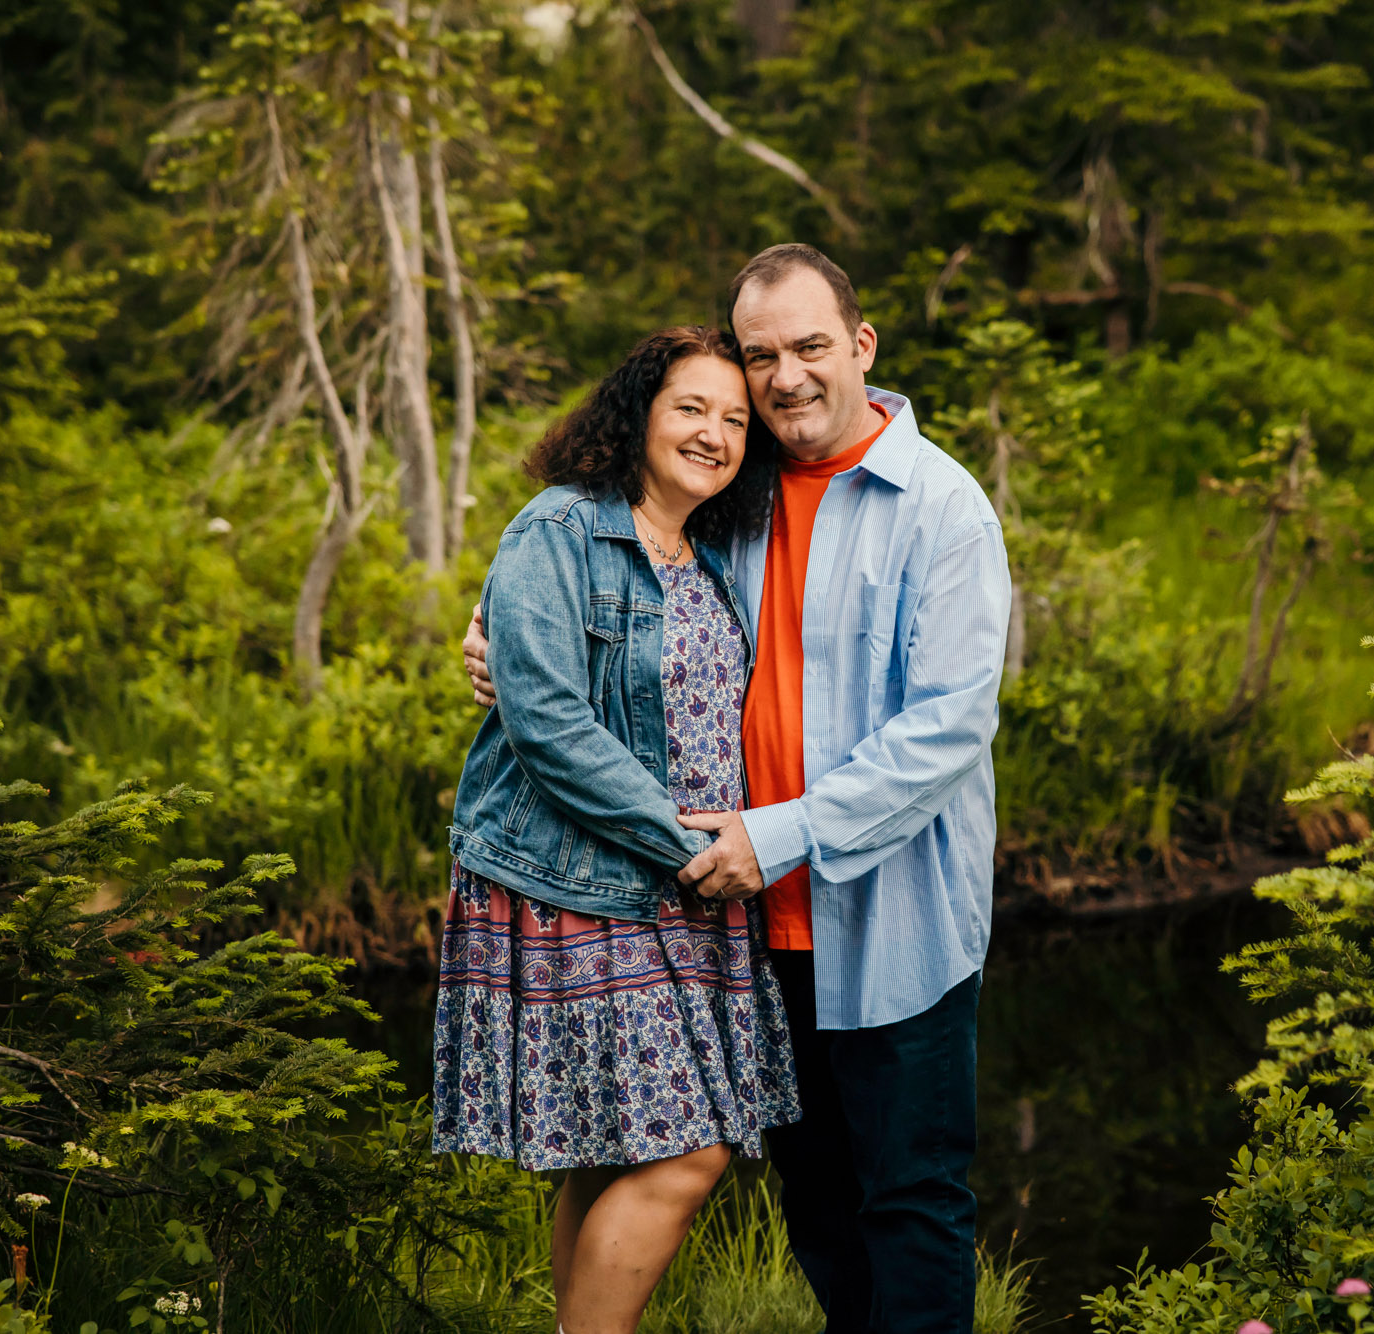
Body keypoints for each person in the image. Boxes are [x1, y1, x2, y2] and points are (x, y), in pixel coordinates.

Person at [467, 245, 1013, 1334]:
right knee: (815, 1201)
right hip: (745, 919)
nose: (784, 376)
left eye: (810, 346)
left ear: (859, 346)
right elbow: (625, 598)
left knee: (910, 1201)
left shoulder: (940, 508)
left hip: (888, 917)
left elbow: (947, 722)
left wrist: (780, 833)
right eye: (761, 354)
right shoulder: (735, 497)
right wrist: (506, 643)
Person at [432, 326, 800, 1334]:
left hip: (688, 889)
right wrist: (685, 840)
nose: (714, 433)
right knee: (690, 1149)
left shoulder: (721, 548)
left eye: (733, 418)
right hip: (581, 879)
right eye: (690, 407)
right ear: (635, 411)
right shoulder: (558, 525)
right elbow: (547, 719)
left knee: (615, 1145)